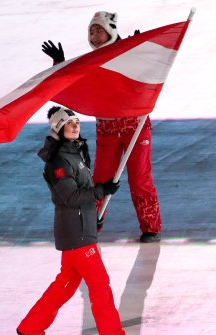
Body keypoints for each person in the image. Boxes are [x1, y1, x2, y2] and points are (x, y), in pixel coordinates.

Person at [41, 11, 162, 243]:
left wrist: (141, 53)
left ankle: (151, 227)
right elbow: (73, 83)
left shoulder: (128, 52)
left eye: (99, 30)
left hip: (135, 126)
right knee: (99, 180)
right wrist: (60, 62)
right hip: (106, 129)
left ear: (111, 30)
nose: (95, 36)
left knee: (140, 179)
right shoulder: (93, 62)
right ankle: (91, 225)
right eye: (92, 32)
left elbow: (149, 73)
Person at [16, 106, 125, 335]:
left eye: (76, 121)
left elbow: (81, 193)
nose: (76, 126)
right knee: (99, 285)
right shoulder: (58, 162)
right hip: (77, 233)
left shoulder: (76, 154)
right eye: (69, 123)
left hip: (79, 229)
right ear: (59, 127)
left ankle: (30, 328)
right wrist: (101, 190)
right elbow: (71, 197)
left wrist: (96, 208)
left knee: (65, 284)